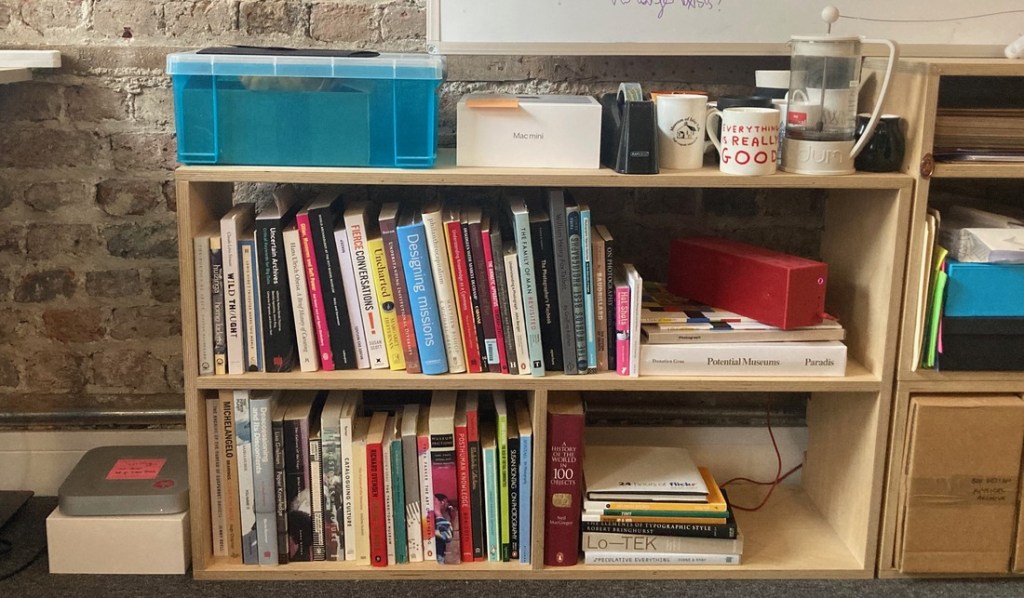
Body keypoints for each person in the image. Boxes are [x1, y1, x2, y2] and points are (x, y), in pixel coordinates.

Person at [432, 493, 456, 564]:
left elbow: (449, 536)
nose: (446, 506)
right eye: (445, 503)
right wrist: (437, 512)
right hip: (435, 557)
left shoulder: (442, 520)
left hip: (440, 556)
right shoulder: (432, 519)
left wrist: (452, 519)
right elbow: (446, 536)